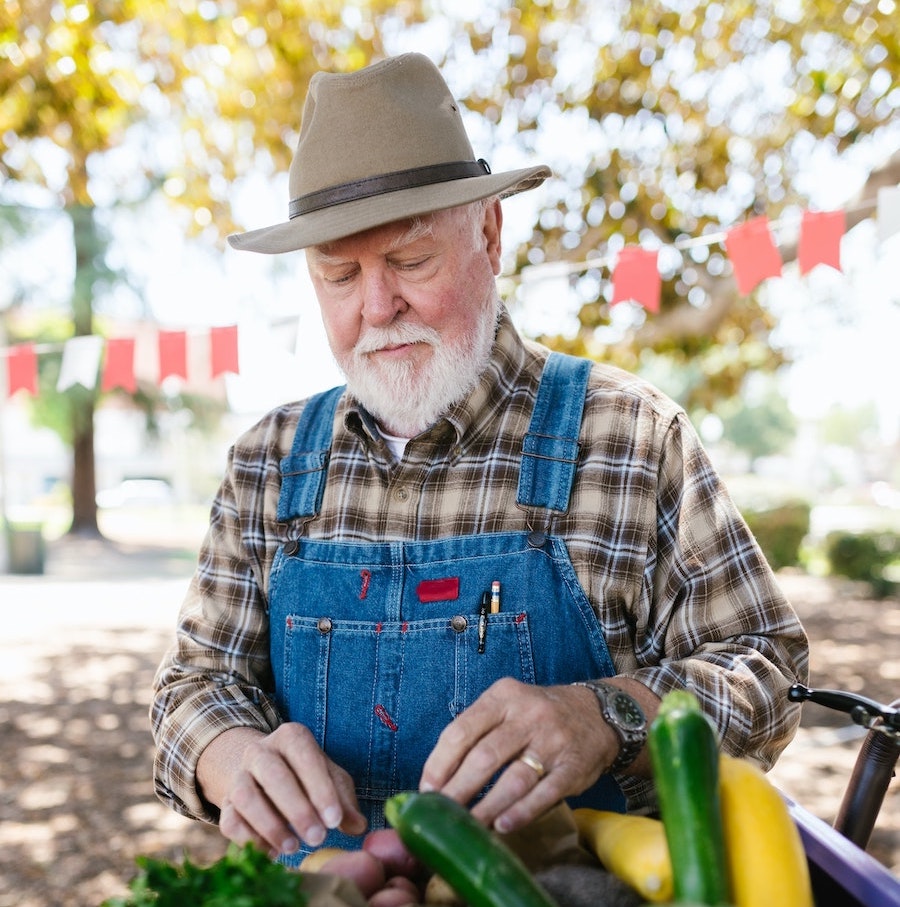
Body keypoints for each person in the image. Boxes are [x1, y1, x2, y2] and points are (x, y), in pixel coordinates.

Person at [151, 51, 809, 885]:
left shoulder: (630, 435)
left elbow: (768, 668)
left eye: (410, 262)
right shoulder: (267, 465)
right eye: (340, 275)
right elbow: (193, 687)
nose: (376, 307)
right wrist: (224, 751)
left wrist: (609, 715)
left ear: (489, 235)